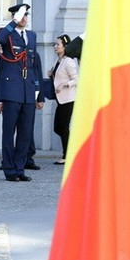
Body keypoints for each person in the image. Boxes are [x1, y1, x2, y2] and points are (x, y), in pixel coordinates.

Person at [0, 3, 44, 182]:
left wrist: (40, 95)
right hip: (11, 91)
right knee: (9, 133)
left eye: (26, 15)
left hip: (28, 91)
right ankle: (9, 169)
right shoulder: (7, 34)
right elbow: (0, 39)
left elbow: (34, 67)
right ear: (15, 17)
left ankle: (20, 168)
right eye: (22, 15)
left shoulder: (31, 36)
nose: (25, 18)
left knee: (25, 133)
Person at [49, 34, 78, 165]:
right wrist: (51, 75)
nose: (55, 46)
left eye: (58, 44)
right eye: (55, 44)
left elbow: (76, 79)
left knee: (62, 127)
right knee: (58, 127)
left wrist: (66, 84)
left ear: (65, 47)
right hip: (60, 99)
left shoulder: (69, 61)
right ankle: (70, 152)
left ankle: (68, 155)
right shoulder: (58, 60)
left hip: (68, 99)